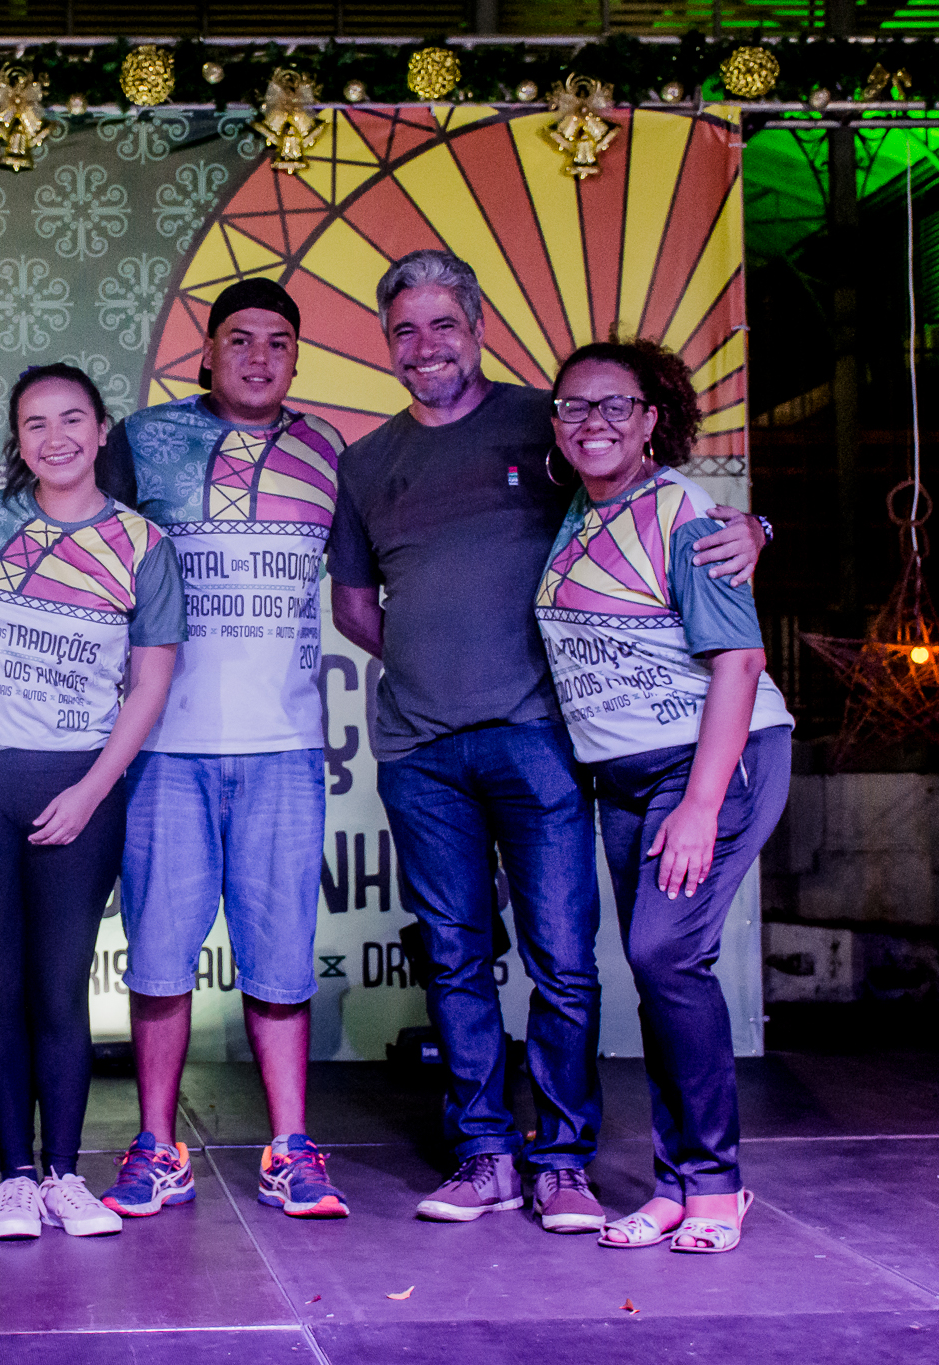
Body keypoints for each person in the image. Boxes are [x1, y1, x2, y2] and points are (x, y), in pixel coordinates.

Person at [326, 249, 765, 1232]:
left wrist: (758, 527)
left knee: (563, 963)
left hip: (540, 741)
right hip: (418, 753)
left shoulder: (551, 421)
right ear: (385, 343)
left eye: (444, 324)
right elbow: (355, 607)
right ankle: (483, 1155)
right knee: (453, 960)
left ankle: (561, 1162)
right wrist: (436, 658)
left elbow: (657, 501)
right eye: (404, 329)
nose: (425, 346)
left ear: (478, 327)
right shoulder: (365, 462)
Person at [94, 278, 351, 1221]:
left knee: (281, 961)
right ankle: (155, 1147)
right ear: (204, 352)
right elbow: (87, 551)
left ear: (297, 357)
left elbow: (372, 575)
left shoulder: (330, 451)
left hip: (284, 747)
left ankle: (292, 1149)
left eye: (277, 342)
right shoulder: (143, 439)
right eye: (238, 339)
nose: (258, 357)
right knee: (159, 961)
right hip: (165, 745)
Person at [532, 341, 792, 1254]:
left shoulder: (682, 515)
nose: (593, 422)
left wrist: (701, 804)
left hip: (712, 760)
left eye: (616, 405)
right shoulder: (578, 510)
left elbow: (741, 662)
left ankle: (715, 1184)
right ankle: (677, 1184)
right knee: (657, 972)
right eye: (574, 406)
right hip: (624, 773)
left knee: (664, 953)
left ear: (651, 419)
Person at [0, 364, 184, 1242]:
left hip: (82, 784)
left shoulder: (143, 544)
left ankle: (65, 1174)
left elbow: (149, 686)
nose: (56, 438)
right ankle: (14, 1178)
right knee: (3, 981)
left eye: (72, 419)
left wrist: (91, 789)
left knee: (61, 985)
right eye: (35, 423)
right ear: (17, 438)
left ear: (102, 428)